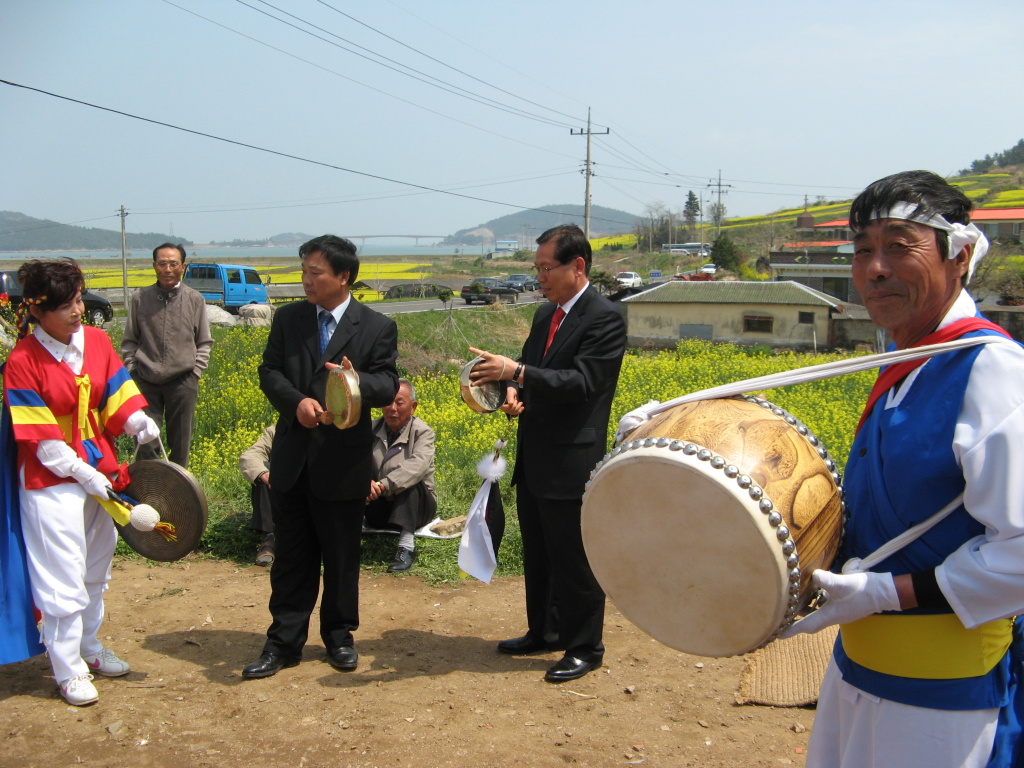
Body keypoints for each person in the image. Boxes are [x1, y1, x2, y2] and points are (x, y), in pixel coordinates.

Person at [782, 171, 1024, 768]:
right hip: (857, 669)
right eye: (863, 249)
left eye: (899, 245)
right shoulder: (906, 357)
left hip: (943, 701)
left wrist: (888, 592)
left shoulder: (992, 372)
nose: (875, 268)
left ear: (959, 256)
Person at [468, 223, 626, 683]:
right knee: (539, 553)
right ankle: (545, 630)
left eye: (545, 268)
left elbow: (582, 384)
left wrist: (517, 370)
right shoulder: (544, 317)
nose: (539, 277)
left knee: (573, 558)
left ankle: (585, 646)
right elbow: (533, 376)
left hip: (572, 459)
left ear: (577, 266)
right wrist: (516, 391)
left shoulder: (605, 317)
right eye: (535, 268)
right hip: (535, 455)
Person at [1, 259, 159, 706]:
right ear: (37, 311)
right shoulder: (21, 362)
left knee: (95, 568)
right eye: (67, 305)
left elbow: (117, 395)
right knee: (62, 575)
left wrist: (138, 422)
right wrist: (88, 476)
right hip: (52, 480)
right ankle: (67, 669)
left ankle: (89, 648)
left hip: (99, 468)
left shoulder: (95, 340)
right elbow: (44, 445)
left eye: (78, 300)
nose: (78, 311)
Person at [242, 234, 398, 680]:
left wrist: (354, 383)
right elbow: (269, 371)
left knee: (342, 555)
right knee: (292, 556)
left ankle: (339, 636)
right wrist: (297, 404)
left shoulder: (375, 326)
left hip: (343, 463)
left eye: (316, 273)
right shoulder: (290, 318)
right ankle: (283, 642)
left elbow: (388, 383)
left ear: (343, 277)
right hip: (294, 460)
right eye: (304, 271)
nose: (306, 280)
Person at [121, 243, 213, 468]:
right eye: (162, 264)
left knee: (180, 443)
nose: (167, 269)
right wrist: (133, 369)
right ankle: (148, 491)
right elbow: (130, 340)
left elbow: (204, 341)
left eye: (173, 264)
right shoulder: (140, 298)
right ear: (154, 266)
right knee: (146, 442)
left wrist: (195, 372)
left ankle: (178, 495)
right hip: (145, 378)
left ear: (183, 267)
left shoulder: (194, 299)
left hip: (183, 381)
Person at [365, 378, 437, 573]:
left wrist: (384, 484)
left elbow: (417, 466)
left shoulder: (423, 433)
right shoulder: (370, 428)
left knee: (412, 480)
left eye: (399, 402)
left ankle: (406, 546)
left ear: (413, 407)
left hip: (417, 507)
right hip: (378, 504)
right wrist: (365, 483)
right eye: (388, 402)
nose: (392, 408)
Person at [238, 425, 277, 566]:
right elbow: (250, 456)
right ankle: (269, 537)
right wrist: (263, 473)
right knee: (263, 469)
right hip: (283, 493)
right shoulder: (276, 430)